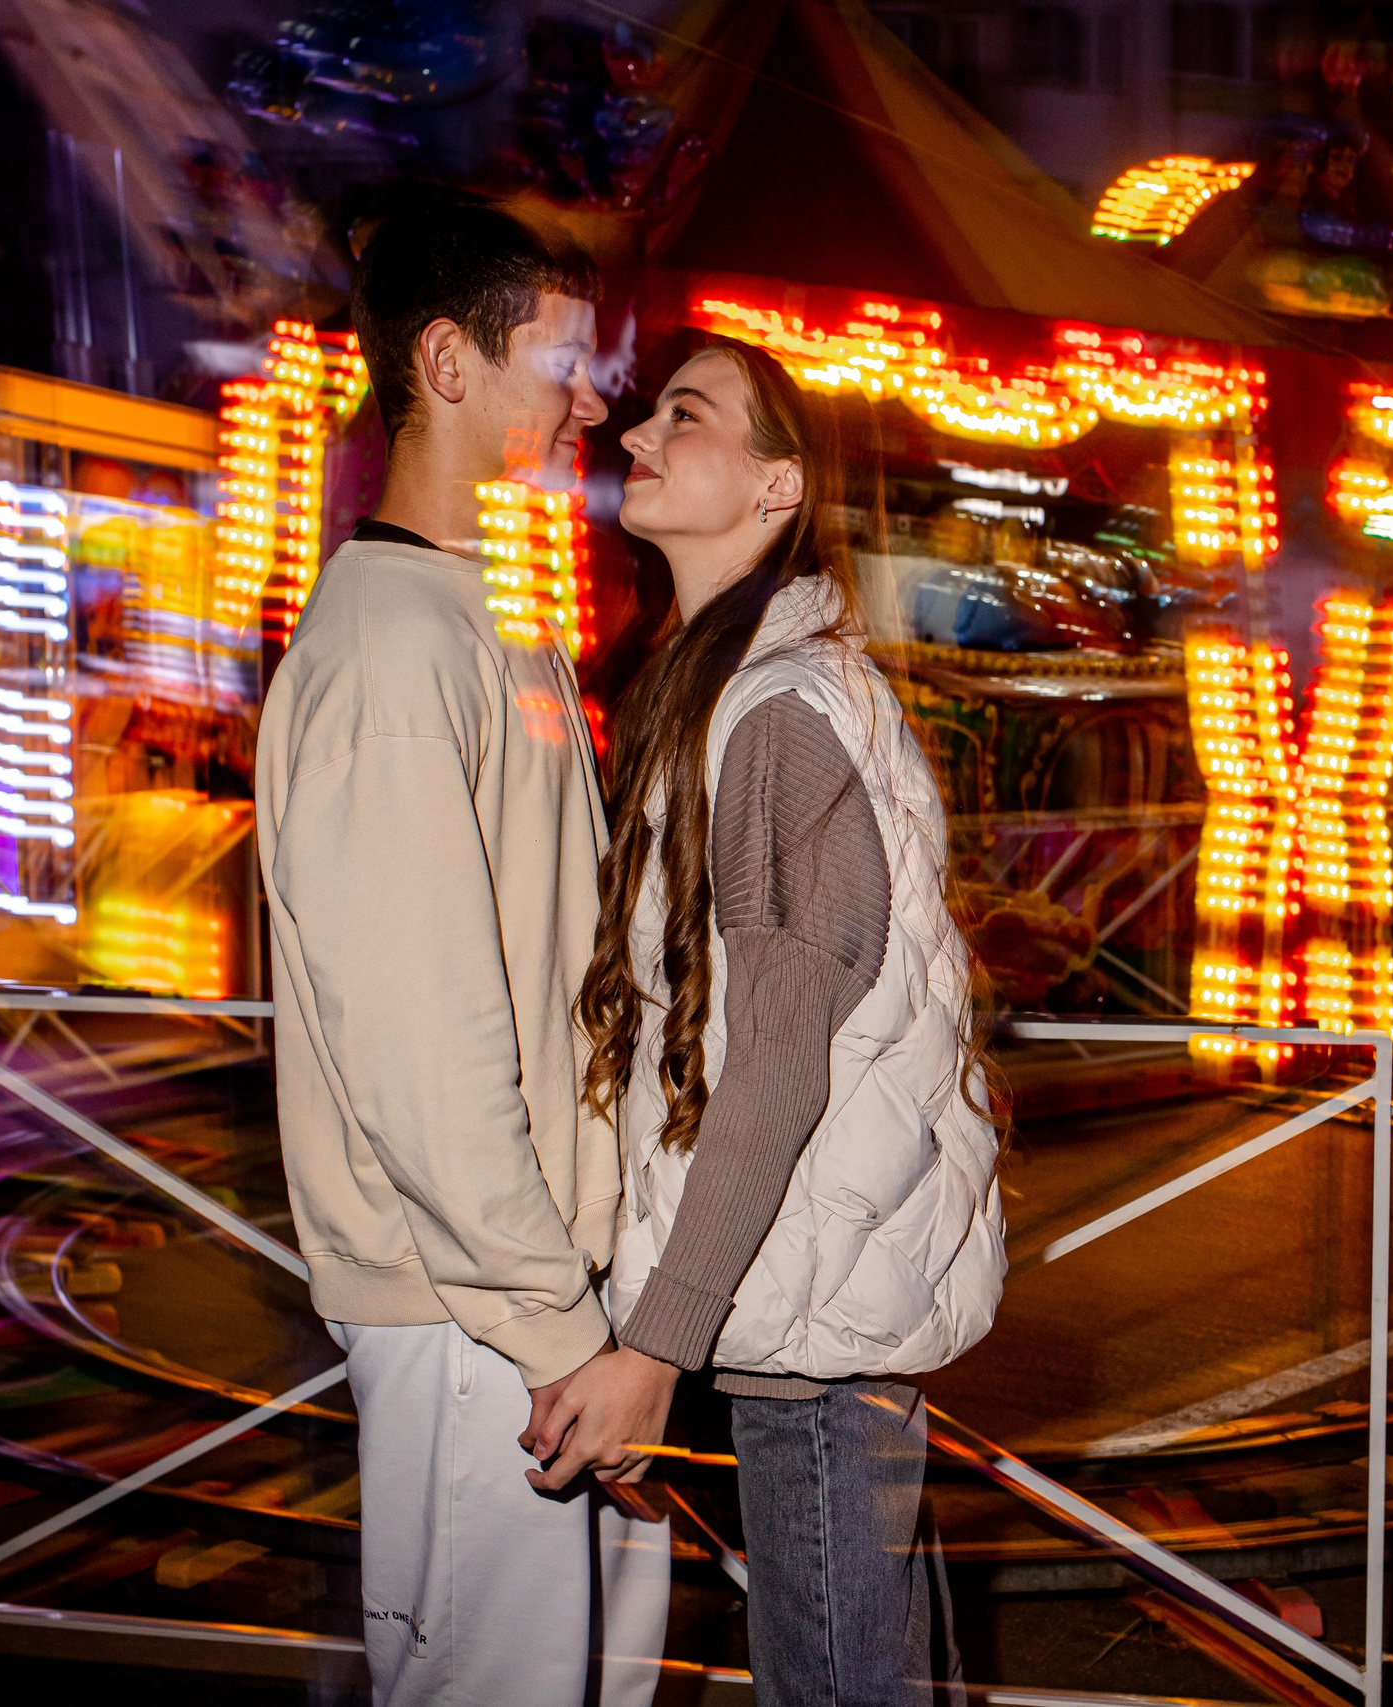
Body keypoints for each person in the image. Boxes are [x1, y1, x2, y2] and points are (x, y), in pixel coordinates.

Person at [254, 200, 670, 1707]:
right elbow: (427, 1049)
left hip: (533, 1293)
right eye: (558, 359)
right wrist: (562, 1330)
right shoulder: (385, 655)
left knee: (581, 1688)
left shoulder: (492, 625)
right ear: (446, 361)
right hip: (470, 1311)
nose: (594, 394)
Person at [560, 337, 1007, 1704]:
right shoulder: (738, 688)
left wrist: (656, 1344)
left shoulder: (780, 711)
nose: (637, 433)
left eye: (683, 416)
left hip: (810, 1325)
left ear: (776, 486)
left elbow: (780, 1052)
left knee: (832, 1684)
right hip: (821, 1290)